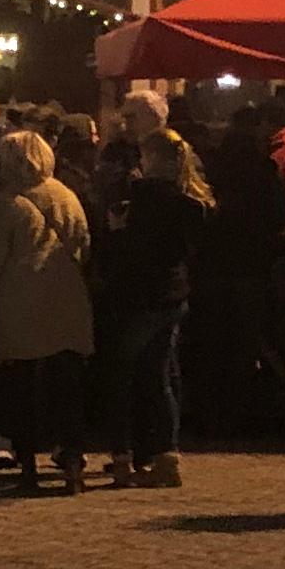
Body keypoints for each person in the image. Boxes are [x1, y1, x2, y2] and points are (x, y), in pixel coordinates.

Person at [0, 126, 95, 493]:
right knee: (68, 390)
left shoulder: (6, 203)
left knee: (20, 389)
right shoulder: (67, 195)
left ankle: (28, 469)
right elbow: (84, 247)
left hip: (20, 303)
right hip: (67, 299)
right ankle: (72, 466)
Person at [96, 109, 208, 488]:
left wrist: (115, 231)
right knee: (159, 376)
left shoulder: (141, 197)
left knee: (120, 377)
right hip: (172, 296)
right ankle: (166, 455)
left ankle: (124, 456)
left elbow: (131, 251)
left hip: (137, 297)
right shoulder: (191, 202)